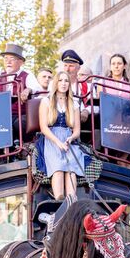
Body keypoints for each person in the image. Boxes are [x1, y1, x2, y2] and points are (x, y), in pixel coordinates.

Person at [39, 71, 85, 200]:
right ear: (55, 83)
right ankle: (59, 199)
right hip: (51, 138)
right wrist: (58, 142)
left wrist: (70, 138)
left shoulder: (74, 103)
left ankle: (71, 200)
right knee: (58, 168)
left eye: (66, 81)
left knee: (71, 168)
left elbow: (76, 131)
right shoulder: (46, 101)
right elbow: (43, 128)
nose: (63, 84)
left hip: (68, 138)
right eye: (60, 80)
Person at [60, 49, 90, 123]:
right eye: (65, 65)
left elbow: (95, 105)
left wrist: (86, 110)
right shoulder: (55, 84)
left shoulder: (86, 86)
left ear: (78, 68)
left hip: (80, 121)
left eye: (71, 66)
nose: (67, 69)